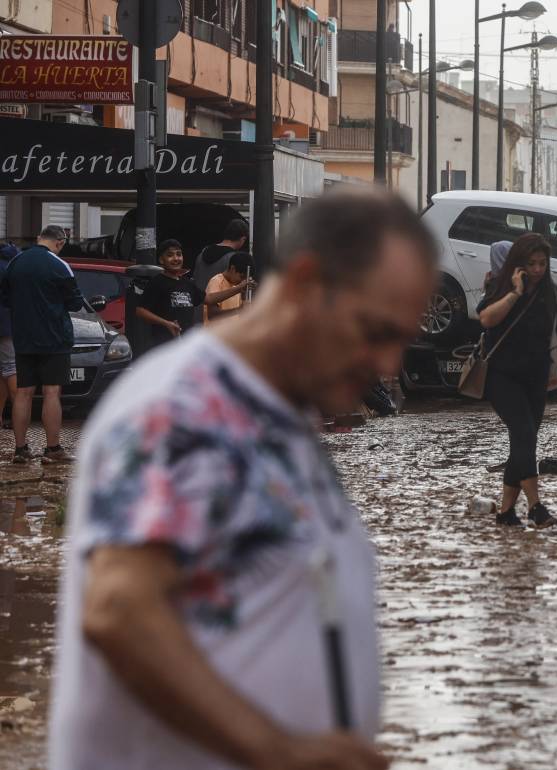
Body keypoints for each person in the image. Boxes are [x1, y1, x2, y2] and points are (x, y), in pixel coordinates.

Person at [49, 187, 436, 770]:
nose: (387, 365)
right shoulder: (187, 406)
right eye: (376, 331)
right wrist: (275, 749)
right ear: (305, 284)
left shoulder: (279, 414)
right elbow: (119, 608)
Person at [478, 233, 557, 529]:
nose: (538, 269)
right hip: (501, 376)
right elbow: (486, 319)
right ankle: (535, 507)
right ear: (519, 263)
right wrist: (515, 293)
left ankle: (506, 513)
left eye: (543, 263)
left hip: (535, 377)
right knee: (525, 434)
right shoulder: (500, 286)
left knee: (523, 443)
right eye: (531, 263)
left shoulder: (551, 292)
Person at [0, 225, 84, 465]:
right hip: (54, 339)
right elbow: (75, 302)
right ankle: (53, 448)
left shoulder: (16, 263)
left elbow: (5, 298)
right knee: (51, 392)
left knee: (24, 393)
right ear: (60, 242)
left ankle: (20, 450)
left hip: (23, 338)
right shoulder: (59, 265)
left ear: (39, 238)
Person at [137, 240, 250, 350]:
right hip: (164, 346)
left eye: (179, 254)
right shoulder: (157, 282)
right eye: (170, 255)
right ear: (162, 260)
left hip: (184, 344)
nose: (176, 258)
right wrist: (166, 323)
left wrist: (239, 289)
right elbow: (140, 311)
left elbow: (209, 299)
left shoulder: (187, 283)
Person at [192, 218, 249, 297]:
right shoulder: (234, 259)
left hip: (198, 306)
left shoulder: (202, 253)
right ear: (243, 239)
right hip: (220, 308)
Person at [204, 252, 256, 324]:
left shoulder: (237, 285)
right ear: (232, 268)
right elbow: (212, 315)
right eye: (241, 277)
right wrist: (237, 310)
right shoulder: (216, 281)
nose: (242, 281)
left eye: (245, 279)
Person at [0, 243, 19, 429]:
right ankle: (17, 415)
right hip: (8, 326)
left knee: (6, 371)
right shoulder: (13, 267)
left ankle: (14, 415)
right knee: (9, 370)